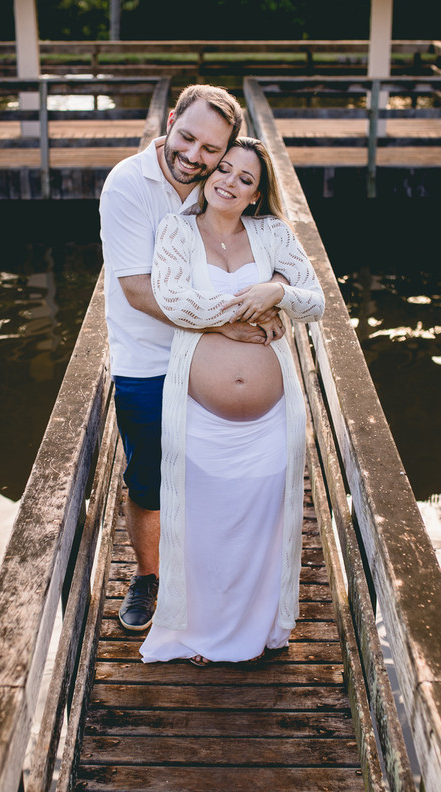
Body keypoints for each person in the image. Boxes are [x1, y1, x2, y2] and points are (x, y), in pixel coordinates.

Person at [139, 137, 325, 665]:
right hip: (199, 418)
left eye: (246, 178)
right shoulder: (176, 230)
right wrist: (244, 310)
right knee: (204, 527)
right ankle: (202, 631)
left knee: (260, 525)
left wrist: (279, 293)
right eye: (224, 169)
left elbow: (316, 301)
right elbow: (173, 298)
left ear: (257, 195)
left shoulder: (273, 234)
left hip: (270, 420)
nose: (229, 181)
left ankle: (256, 627)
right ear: (208, 174)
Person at [101, 84, 279, 631]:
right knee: (150, 478)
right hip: (148, 360)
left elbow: (265, 240)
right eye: (187, 138)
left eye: (211, 151)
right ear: (171, 121)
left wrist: (272, 288)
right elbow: (136, 290)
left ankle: (212, 579)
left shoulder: (218, 184)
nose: (195, 157)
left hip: (208, 358)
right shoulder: (130, 185)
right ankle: (149, 576)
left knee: (212, 477)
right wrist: (229, 320)